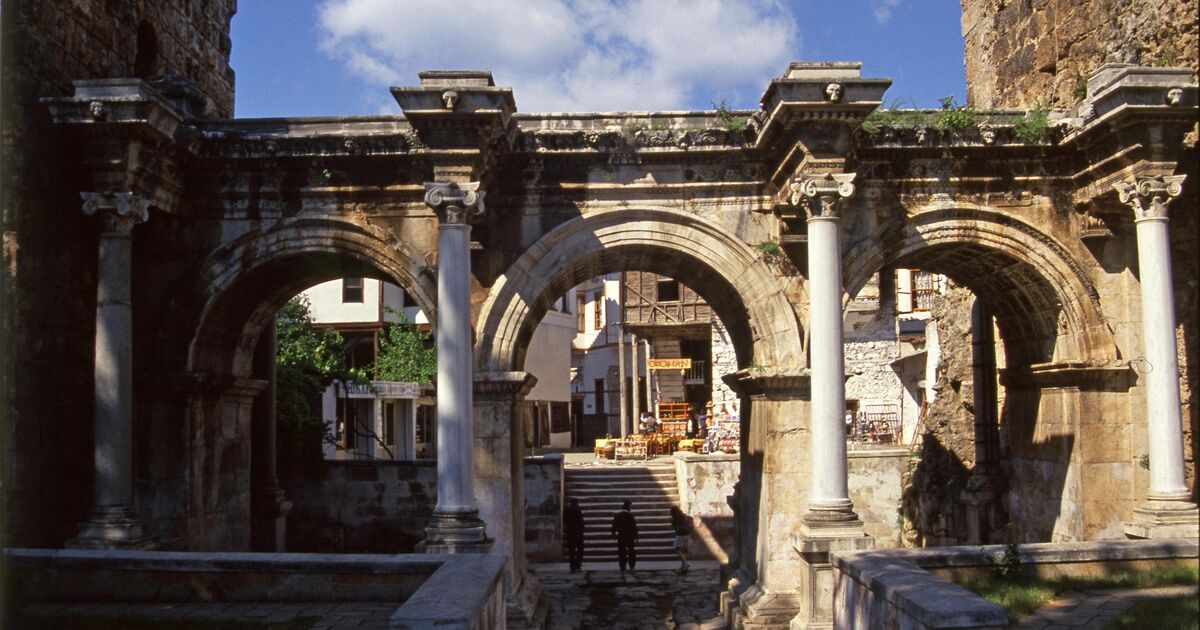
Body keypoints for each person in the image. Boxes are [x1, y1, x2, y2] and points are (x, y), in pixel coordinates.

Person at [610, 500, 639, 572]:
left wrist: (613, 533)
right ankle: (632, 566)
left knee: (621, 551)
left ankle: (622, 566)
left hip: (621, 535)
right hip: (630, 536)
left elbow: (614, 525)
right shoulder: (630, 516)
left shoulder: (618, 515)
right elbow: (634, 527)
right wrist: (636, 537)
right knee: (631, 551)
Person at [669, 505, 695, 574]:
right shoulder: (684, 516)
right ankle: (683, 566)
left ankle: (685, 563)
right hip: (687, 534)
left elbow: (674, 527)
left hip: (680, 535)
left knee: (677, 549)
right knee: (684, 550)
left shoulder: (676, 518)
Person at [564, 497, 585, 573]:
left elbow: (565, 521)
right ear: (576, 503)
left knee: (571, 552)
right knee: (580, 551)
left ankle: (572, 568)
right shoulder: (578, 510)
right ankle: (578, 567)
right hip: (578, 534)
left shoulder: (567, 510)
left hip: (570, 533)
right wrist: (582, 530)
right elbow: (581, 522)